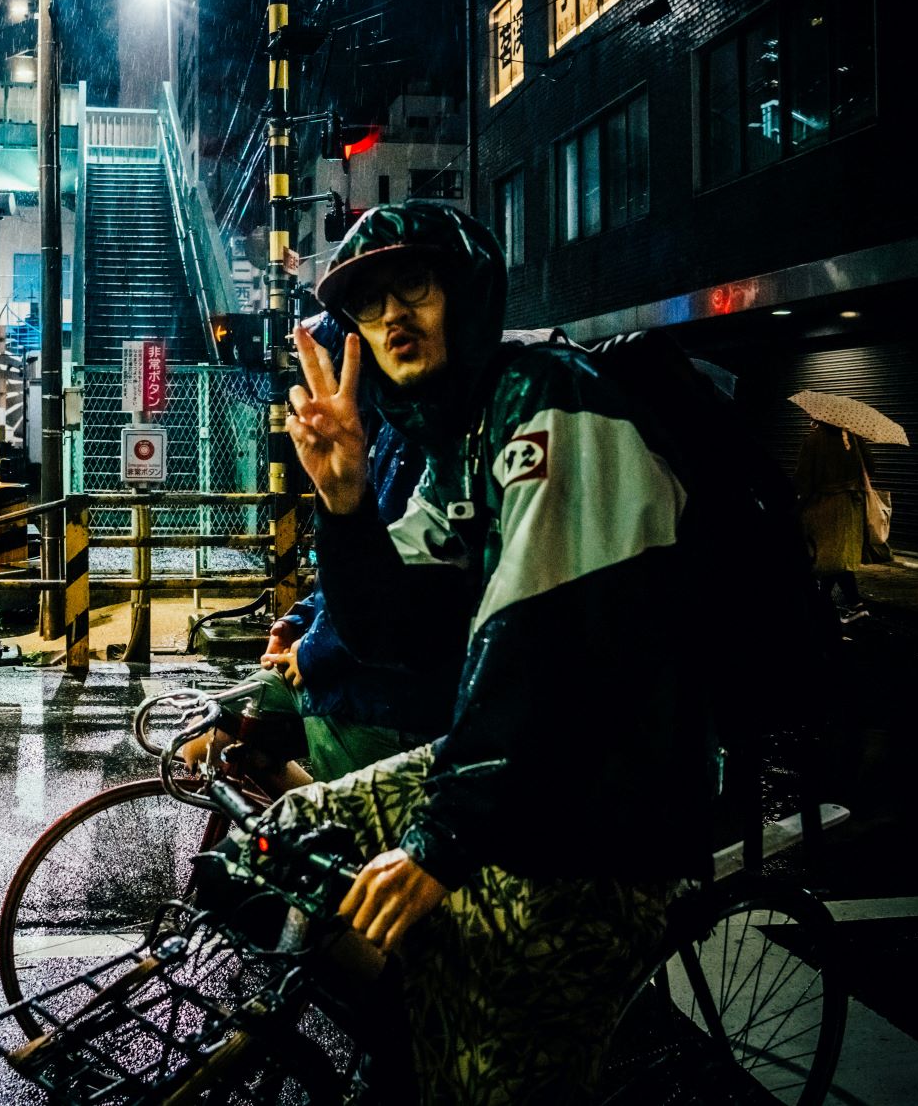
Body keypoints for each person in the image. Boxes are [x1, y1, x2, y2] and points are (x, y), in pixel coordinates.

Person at [275, 201, 719, 1104]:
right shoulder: (454, 442)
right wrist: (348, 508)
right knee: (282, 844)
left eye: (417, 285)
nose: (393, 316)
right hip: (529, 773)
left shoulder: (551, 399)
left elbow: (542, 640)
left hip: (615, 802)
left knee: (494, 1079)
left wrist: (441, 843)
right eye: (368, 303)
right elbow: (395, 631)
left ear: (467, 294)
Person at [180, 318, 472, 789]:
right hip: (346, 674)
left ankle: (324, 842)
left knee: (352, 840)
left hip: (381, 696)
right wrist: (297, 622)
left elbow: (398, 589)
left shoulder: (427, 440)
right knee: (208, 735)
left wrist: (312, 651)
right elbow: (351, 565)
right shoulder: (383, 435)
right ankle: (300, 836)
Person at [793, 421, 871, 621]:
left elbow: (803, 479)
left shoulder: (814, 441)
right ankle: (824, 602)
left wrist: (797, 506)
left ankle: (851, 603)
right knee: (836, 557)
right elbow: (871, 468)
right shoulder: (855, 439)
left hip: (824, 507)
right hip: (851, 507)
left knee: (824, 556)